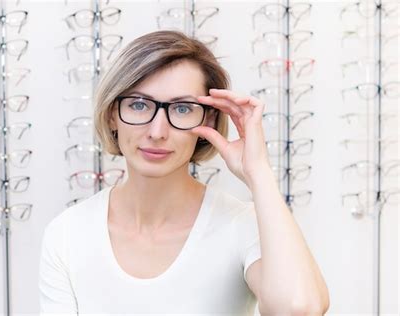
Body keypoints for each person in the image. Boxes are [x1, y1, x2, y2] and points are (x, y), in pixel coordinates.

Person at [39, 30, 330, 315]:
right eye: (139, 105)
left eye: (181, 109)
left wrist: (259, 173)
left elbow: (299, 308)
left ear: (209, 118)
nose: (157, 132)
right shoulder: (68, 234)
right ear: (113, 114)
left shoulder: (241, 224)